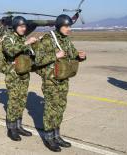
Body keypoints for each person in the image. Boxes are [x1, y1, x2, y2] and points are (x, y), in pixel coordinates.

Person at [33, 14, 86, 152]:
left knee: (60, 108)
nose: (69, 29)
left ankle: (57, 135)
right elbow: (38, 60)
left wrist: (80, 57)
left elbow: (72, 54)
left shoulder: (66, 40)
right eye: (66, 27)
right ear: (59, 26)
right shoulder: (47, 39)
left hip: (63, 79)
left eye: (70, 27)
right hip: (51, 80)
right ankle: (49, 137)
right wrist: (55, 56)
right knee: (51, 109)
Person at [2, 16, 37, 141]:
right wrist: (26, 43)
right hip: (13, 76)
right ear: (16, 26)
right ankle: (11, 129)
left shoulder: (22, 39)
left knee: (21, 101)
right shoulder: (8, 39)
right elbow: (10, 52)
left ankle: (18, 126)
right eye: (21, 26)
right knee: (13, 102)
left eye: (24, 27)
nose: (24, 29)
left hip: (24, 74)